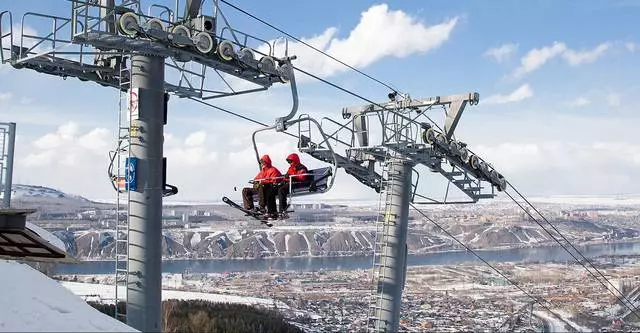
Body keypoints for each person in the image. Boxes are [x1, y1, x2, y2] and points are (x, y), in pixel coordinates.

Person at [242, 155, 282, 219]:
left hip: (268, 188)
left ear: (267, 162)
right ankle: (250, 208)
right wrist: (256, 182)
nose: (262, 164)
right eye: (261, 162)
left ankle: (262, 207)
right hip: (260, 188)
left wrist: (263, 182)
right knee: (245, 190)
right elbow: (257, 178)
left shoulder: (273, 170)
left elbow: (275, 181)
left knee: (262, 186)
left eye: (263, 162)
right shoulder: (263, 171)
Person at [277, 153, 311, 218]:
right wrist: (283, 181)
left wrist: (292, 177)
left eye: (291, 161)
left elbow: (302, 178)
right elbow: (287, 177)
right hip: (291, 182)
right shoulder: (291, 168)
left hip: (298, 183)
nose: (290, 163)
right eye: (289, 162)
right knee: (274, 189)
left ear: (295, 160)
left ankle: (282, 210)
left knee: (282, 190)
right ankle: (271, 211)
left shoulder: (301, 168)